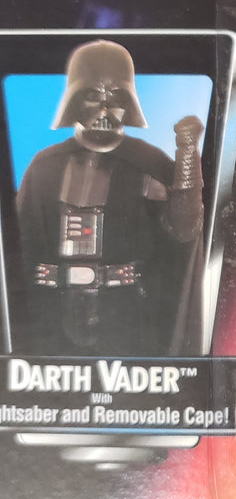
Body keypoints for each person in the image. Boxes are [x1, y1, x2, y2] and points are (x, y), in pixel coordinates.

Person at [15, 39, 205, 356]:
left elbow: (183, 229)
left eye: (115, 97)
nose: (104, 110)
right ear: (74, 100)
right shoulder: (45, 166)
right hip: (52, 319)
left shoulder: (148, 164)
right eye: (92, 96)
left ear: (129, 103)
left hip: (127, 317)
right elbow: (19, 247)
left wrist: (187, 159)